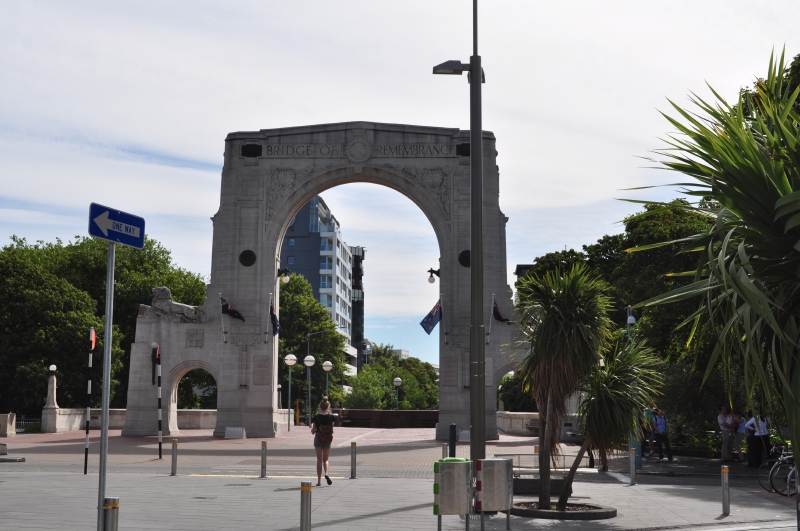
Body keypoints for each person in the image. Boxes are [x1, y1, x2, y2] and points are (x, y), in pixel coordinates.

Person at [310, 396, 335, 487]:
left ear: (320, 407)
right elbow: (331, 429)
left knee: (319, 460)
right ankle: (327, 474)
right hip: (327, 439)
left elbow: (313, 431)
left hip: (318, 438)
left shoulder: (316, 417)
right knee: (326, 459)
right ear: (328, 407)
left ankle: (319, 481)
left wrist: (312, 425)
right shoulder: (331, 417)